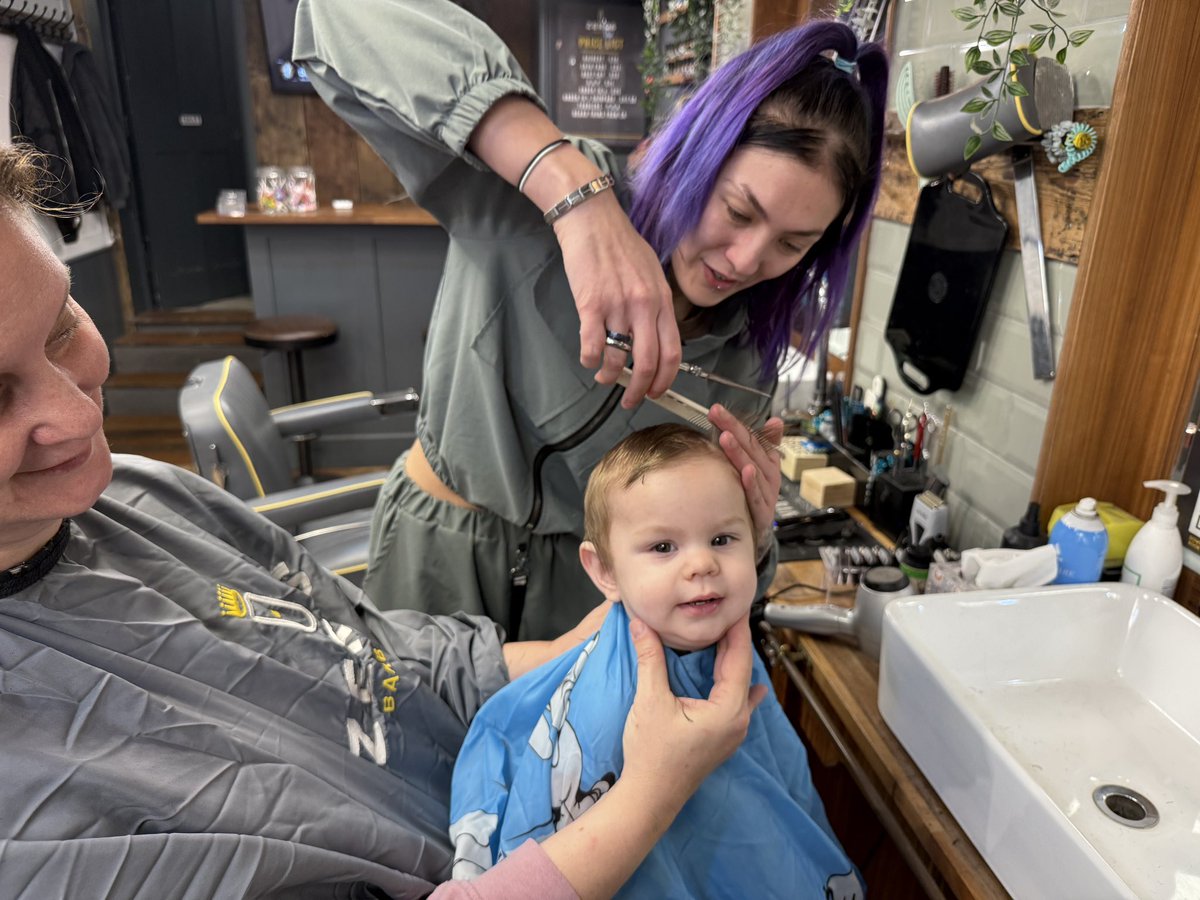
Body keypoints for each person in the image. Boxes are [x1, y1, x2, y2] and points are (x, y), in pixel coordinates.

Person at [0, 143, 768, 899]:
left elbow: (372, 657)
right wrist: (649, 798)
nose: (76, 412)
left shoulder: (139, 495)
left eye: (63, 325)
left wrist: (618, 635)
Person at [293, 0, 887, 640]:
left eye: (792, 244)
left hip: (585, 610)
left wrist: (754, 533)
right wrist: (571, 196)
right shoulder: (525, 203)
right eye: (739, 211)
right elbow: (338, 14)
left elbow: (714, 577)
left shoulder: (743, 359)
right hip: (436, 560)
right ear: (698, 153)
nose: (745, 261)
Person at [448, 424, 864, 898]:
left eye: (724, 539)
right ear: (604, 571)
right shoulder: (615, 707)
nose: (701, 564)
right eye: (663, 547)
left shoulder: (724, 643)